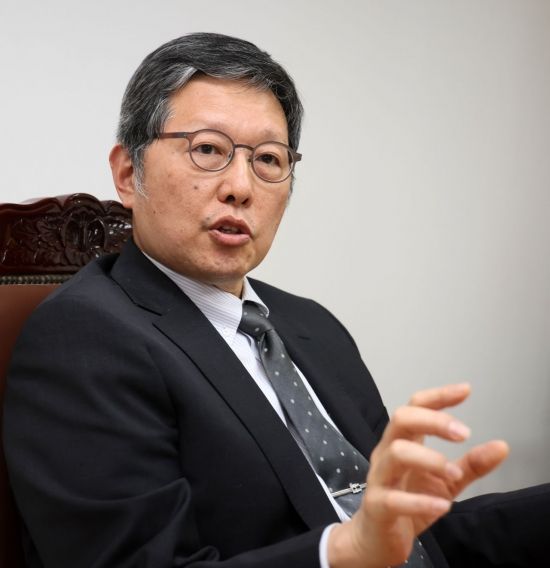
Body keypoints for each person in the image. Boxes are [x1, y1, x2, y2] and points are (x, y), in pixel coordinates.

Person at [3, 32, 546, 568]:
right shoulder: (84, 339)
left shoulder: (312, 325)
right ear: (128, 173)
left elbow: (403, 539)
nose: (241, 187)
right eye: (208, 150)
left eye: (267, 159)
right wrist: (344, 553)